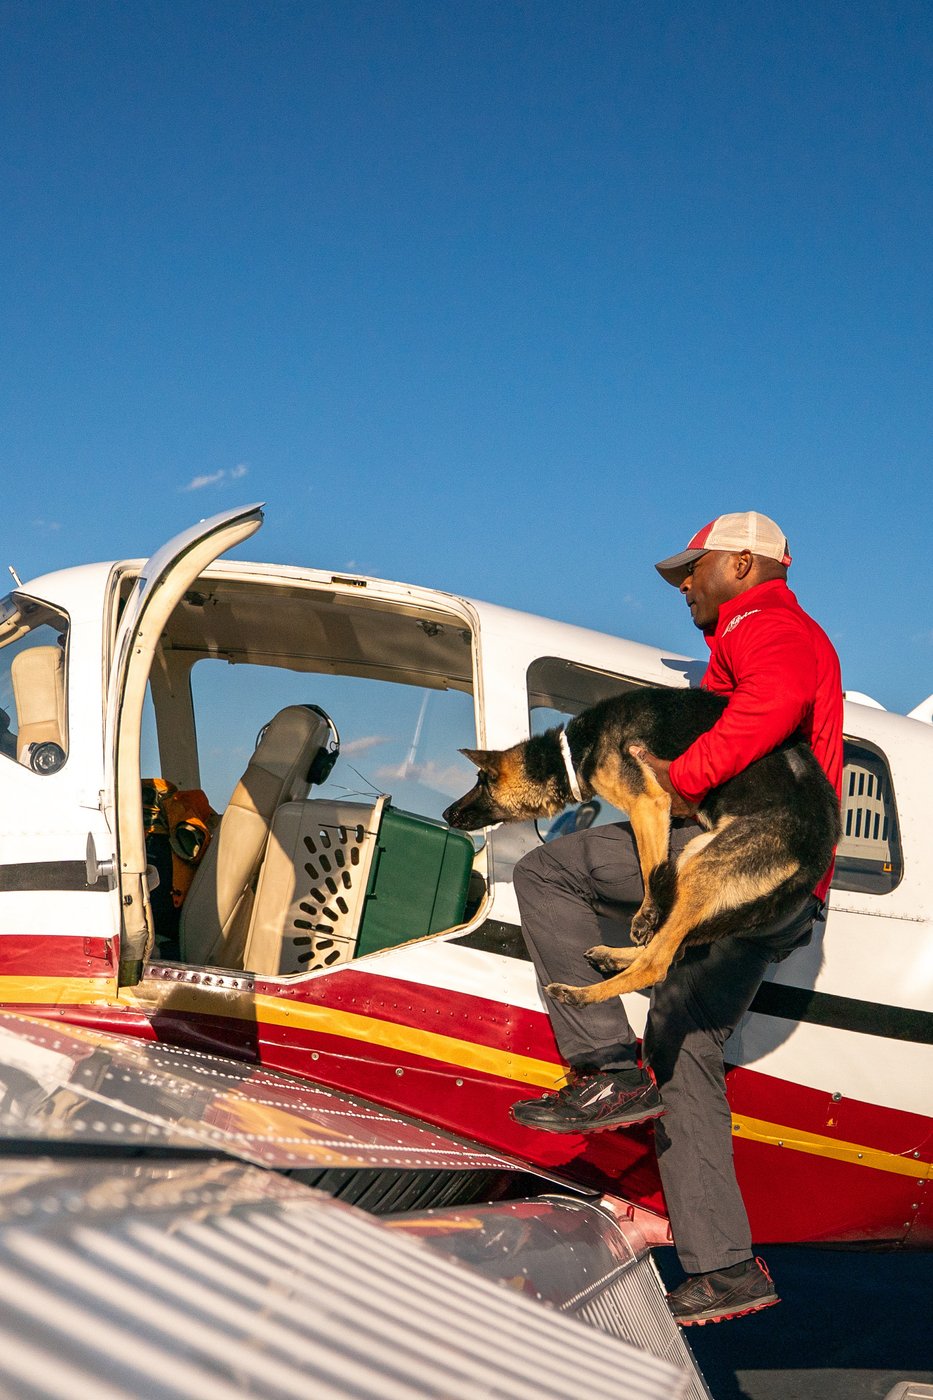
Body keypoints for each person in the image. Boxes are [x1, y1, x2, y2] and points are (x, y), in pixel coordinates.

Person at [509, 511, 843, 1326]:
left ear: (742, 564)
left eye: (693, 568)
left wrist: (683, 778)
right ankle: (723, 1269)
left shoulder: (766, 623)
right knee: (681, 1050)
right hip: (786, 892)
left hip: (746, 857)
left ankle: (602, 1069)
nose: (683, 583)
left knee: (547, 870)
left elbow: (774, 700)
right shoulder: (759, 632)